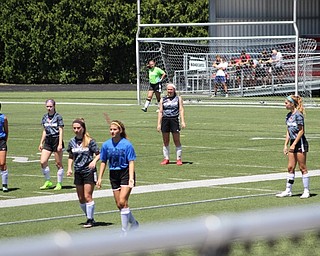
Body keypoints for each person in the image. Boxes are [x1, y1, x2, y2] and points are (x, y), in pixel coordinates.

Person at [97, 120, 139, 235]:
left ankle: (124, 231)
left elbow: (131, 161)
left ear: (120, 130)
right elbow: (103, 161)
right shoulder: (106, 145)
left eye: (115, 129)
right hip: (114, 174)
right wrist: (100, 178)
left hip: (125, 173)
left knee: (122, 200)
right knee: (120, 205)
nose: (112, 131)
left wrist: (131, 177)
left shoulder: (127, 144)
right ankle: (134, 224)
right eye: (111, 129)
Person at [67, 118, 100, 228]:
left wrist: (94, 161)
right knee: (81, 198)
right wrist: (69, 168)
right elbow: (71, 156)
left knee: (87, 196)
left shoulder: (90, 141)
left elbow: (99, 154)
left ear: (83, 128)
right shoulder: (72, 142)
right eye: (74, 128)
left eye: (78, 128)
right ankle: (90, 217)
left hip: (88, 171)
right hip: (78, 171)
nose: (76, 130)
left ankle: (90, 220)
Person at [276, 95, 310, 199]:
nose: (284, 105)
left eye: (286, 103)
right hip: (292, 143)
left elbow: (301, 131)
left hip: (300, 143)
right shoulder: (288, 115)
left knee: (302, 167)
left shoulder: (298, 115)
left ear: (292, 104)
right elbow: (288, 131)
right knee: (290, 167)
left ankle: (306, 190)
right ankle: (288, 190)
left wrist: (294, 144)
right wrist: (286, 144)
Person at [39, 99, 65, 190]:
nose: (49, 108)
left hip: (56, 139)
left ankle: (59, 183)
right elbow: (45, 130)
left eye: (50, 106)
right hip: (48, 141)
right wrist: (41, 142)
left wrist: (60, 143)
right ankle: (48, 181)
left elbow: (61, 130)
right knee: (43, 161)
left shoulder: (58, 117)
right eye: (47, 106)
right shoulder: (44, 117)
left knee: (58, 163)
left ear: (54, 106)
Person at [157, 83, 186, 166]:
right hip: (165, 120)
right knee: (165, 141)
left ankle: (179, 159)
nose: (169, 91)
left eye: (171, 89)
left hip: (174, 120)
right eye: (168, 89)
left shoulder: (178, 98)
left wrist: (183, 121)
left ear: (174, 90)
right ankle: (166, 158)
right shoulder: (163, 99)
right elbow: (160, 111)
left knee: (176, 140)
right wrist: (159, 123)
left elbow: (181, 110)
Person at [0, 103, 9, 192]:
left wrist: (4, 141)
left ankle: (5, 184)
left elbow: (6, 131)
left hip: (1, 141)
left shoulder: (3, 118)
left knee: (2, 163)